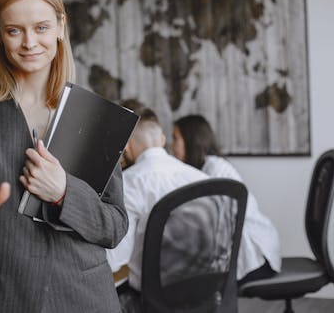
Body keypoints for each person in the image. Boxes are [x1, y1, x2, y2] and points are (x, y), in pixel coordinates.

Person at [0, 0, 127, 313]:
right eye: (14, 30)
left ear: (60, 27)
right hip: (0, 295)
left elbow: (114, 225)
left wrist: (65, 191)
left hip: (83, 296)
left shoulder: (95, 115)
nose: (29, 42)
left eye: (40, 27)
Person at [106, 99, 209, 291]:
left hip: (151, 297)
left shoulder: (129, 183)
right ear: (162, 140)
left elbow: (115, 260)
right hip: (205, 291)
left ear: (125, 146)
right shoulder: (202, 179)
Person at [172, 114, 282, 285]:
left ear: (191, 140)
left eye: (175, 138)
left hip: (256, 256)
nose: (171, 146)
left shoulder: (215, 169)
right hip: (246, 250)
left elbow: (210, 226)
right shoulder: (203, 169)